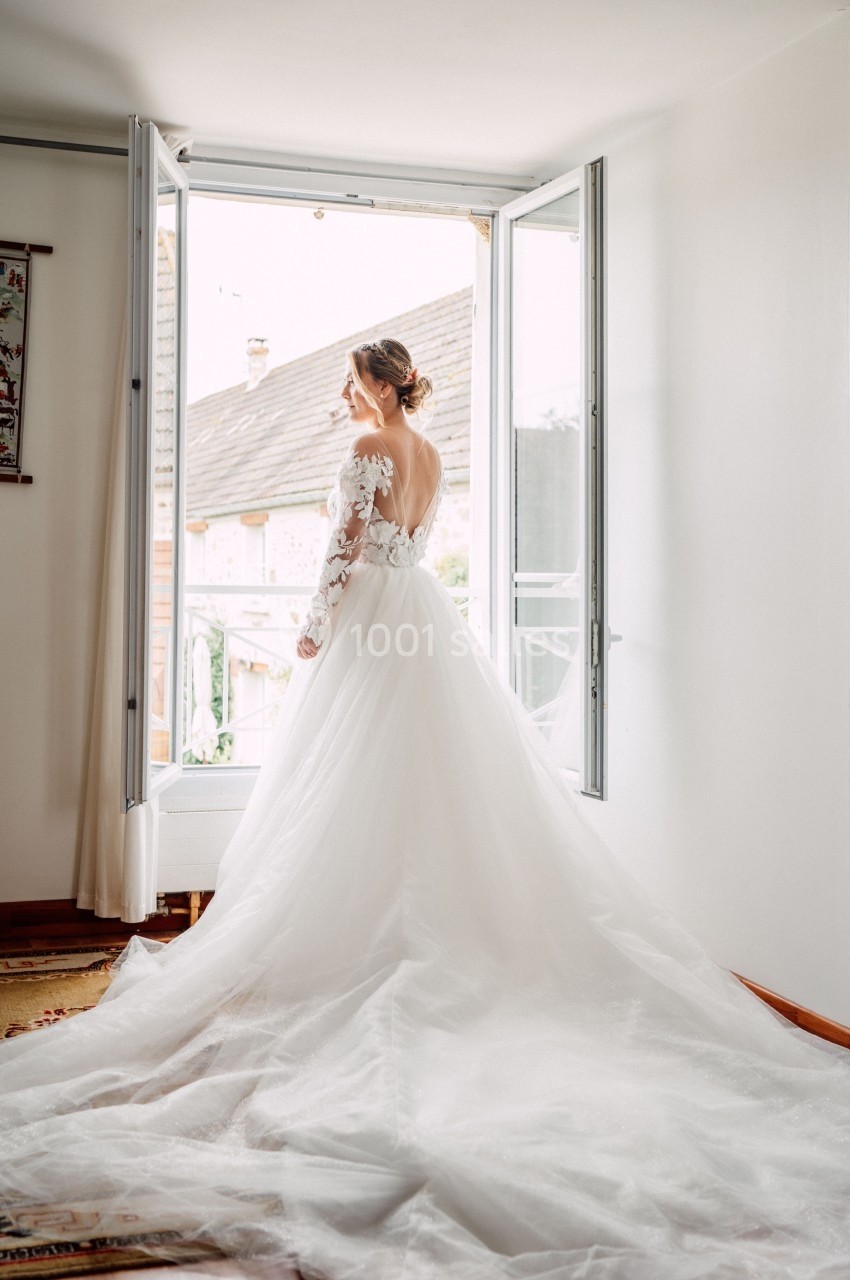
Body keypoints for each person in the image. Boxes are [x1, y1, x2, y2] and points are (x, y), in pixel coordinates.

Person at [3, 338, 850, 1280]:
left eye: (353, 380)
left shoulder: (367, 453)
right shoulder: (435, 454)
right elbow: (413, 542)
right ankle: (432, 934)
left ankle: (358, 944)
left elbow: (342, 545)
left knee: (352, 780)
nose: (348, 394)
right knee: (420, 785)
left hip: (372, 614)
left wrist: (315, 624)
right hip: (421, 615)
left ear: (376, 383)